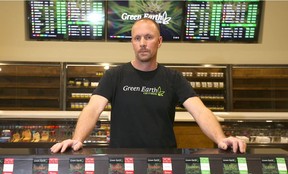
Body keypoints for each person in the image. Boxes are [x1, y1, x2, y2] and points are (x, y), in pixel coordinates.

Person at [50, 18, 246, 154]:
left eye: (149, 37)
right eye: (137, 38)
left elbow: (201, 112)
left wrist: (221, 139)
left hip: (163, 160)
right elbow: (92, 109)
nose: (142, 43)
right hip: (120, 160)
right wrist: (77, 140)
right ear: (132, 42)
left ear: (159, 41)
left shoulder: (173, 78)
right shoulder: (114, 76)